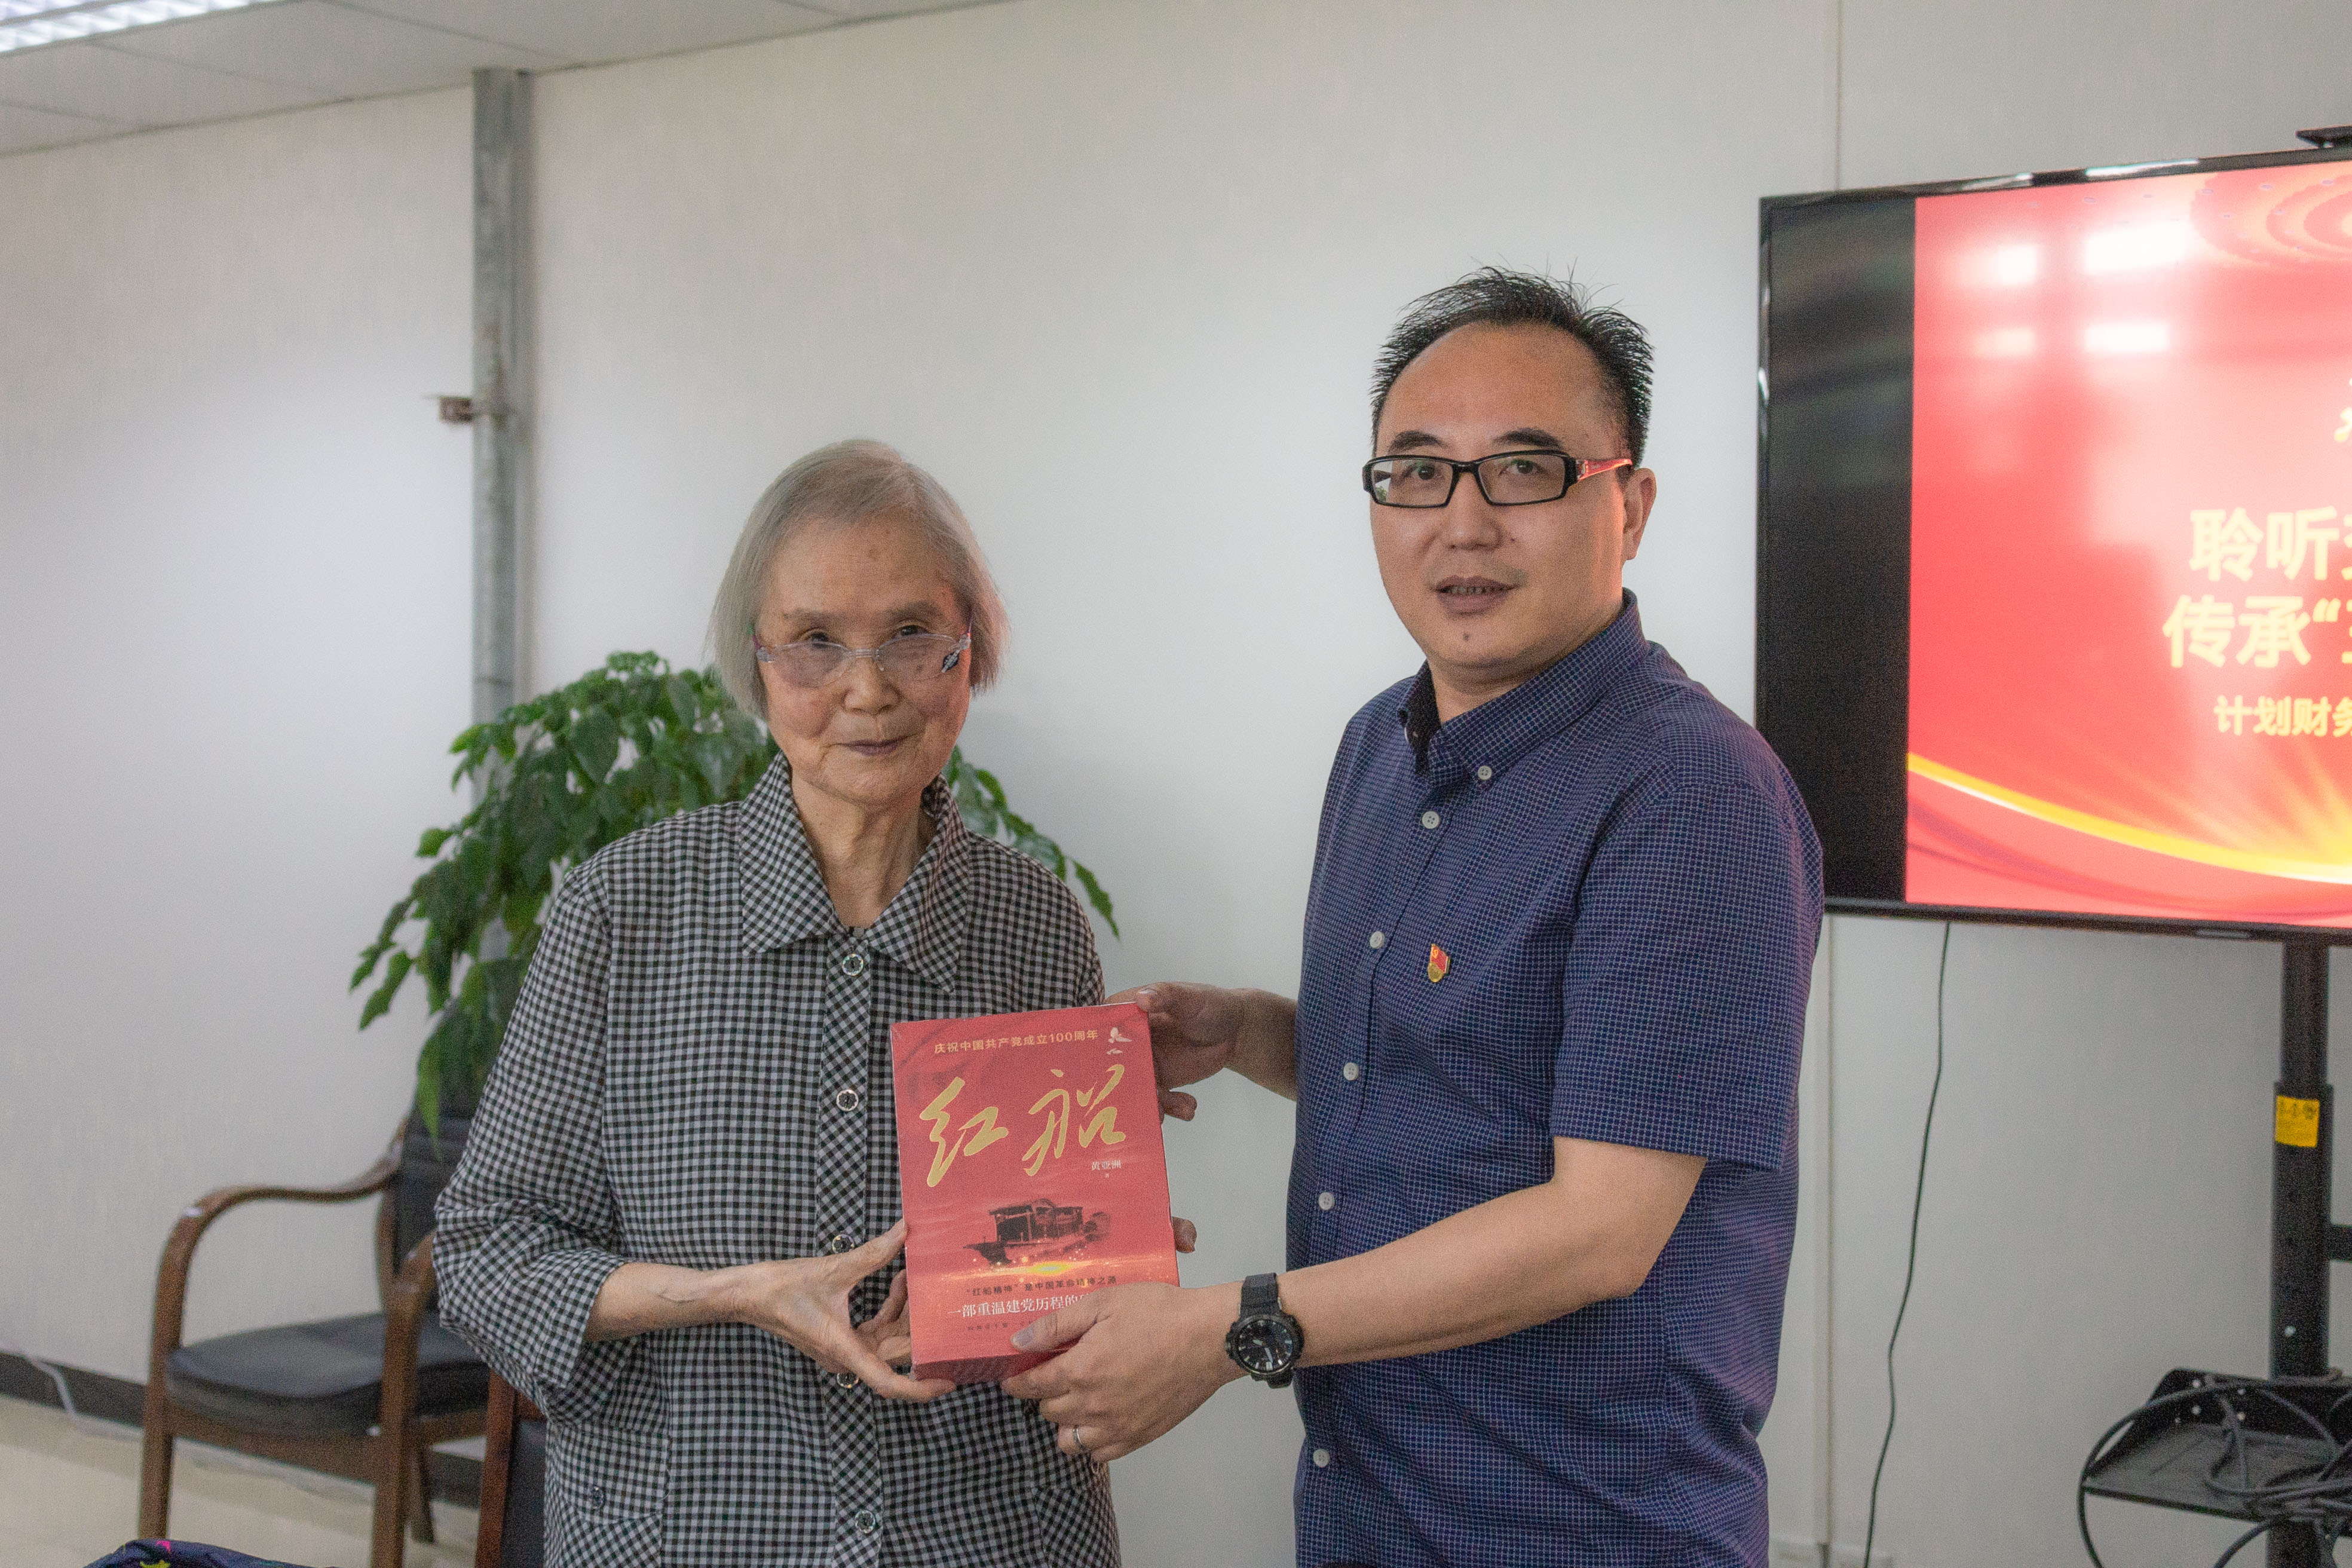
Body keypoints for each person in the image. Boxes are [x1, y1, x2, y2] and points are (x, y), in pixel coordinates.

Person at [1003, 270, 1824, 1567]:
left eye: (1525, 471)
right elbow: (1464, 1075)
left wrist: (1225, 1328)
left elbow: (1599, 1231)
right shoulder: (1378, 748)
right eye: (1420, 474)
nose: (1465, 524)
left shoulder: (1691, 791)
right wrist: (1255, 1032)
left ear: (1631, 504)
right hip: (1369, 1503)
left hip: (1578, 1525)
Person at [436, 440, 1134, 1568]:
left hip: (982, 1531)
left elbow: (1044, 1276)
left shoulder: (1033, 925)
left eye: (911, 634)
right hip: (691, 1532)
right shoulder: (626, 909)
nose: (868, 688)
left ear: (971, 650)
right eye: (815, 642)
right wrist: (735, 1295)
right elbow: (484, 1252)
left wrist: (1099, 1260)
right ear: (757, 665)